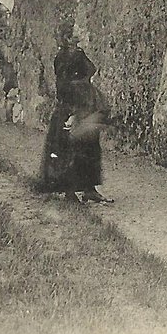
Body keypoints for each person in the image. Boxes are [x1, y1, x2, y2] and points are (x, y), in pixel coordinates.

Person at [39, 22, 113, 203]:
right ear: (67, 38)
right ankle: (75, 191)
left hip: (76, 104)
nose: (78, 35)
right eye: (74, 33)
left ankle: (85, 190)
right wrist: (73, 110)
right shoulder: (72, 56)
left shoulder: (63, 56)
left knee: (79, 147)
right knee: (77, 148)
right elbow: (84, 73)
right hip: (75, 105)